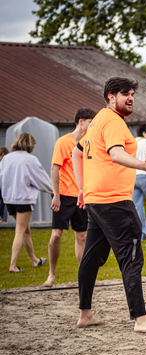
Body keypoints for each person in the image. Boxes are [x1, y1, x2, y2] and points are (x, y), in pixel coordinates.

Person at [72, 77, 146, 332]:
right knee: (132, 258)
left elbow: (77, 152)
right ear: (110, 97)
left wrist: (83, 188)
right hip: (114, 201)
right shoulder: (113, 120)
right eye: (124, 93)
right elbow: (116, 154)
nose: (130, 98)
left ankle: (85, 314)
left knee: (91, 259)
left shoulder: (97, 122)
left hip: (96, 200)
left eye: (132, 94)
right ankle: (141, 319)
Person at [43, 108, 97, 287]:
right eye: (91, 122)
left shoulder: (90, 143)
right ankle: (51, 274)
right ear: (81, 122)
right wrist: (56, 195)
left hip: (82, 196)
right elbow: (54, 169)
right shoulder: (63, 142)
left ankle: (84, 277)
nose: (93, 125)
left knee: (82, 236)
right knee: (56, 235)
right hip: (64, 196)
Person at [0, 133, 51, 273]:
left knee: (25, 230)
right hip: (23, 200)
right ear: (30, 144)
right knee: (20, 231)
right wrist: (53, 190)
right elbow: (42, 179)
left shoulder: (6, 158)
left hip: (9, 200)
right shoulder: (30, 159)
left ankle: (35, 260)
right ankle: (13, 265)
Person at [0, 146, 9, 222]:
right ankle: (0, 216)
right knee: (3, 200)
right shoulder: (3, 163)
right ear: (3, 154)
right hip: (2, 184)